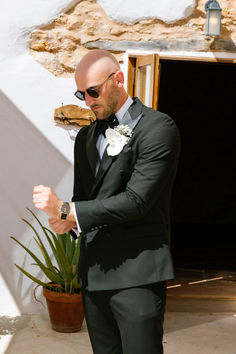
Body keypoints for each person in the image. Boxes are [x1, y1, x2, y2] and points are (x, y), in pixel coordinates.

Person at [33, 49, 181, 354]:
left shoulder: (158, 128)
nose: (87, 101)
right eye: (80, 93)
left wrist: (66, 209)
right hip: (94, 274)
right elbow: (84, 198)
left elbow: (137, 201)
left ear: (119, 80)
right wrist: (68, 223)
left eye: (93, 91)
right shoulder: (87, 137)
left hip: (137, 276)